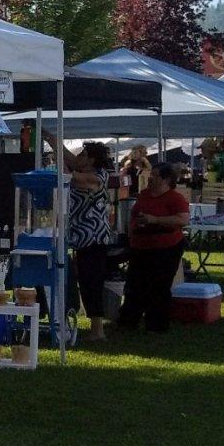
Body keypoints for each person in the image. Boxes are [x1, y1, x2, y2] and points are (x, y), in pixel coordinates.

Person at [118, 161, 192, 333]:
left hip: (166, 247)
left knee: (158, 286)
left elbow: (183, 220)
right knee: (135, 285)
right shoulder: (144, 195)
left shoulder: (175, 198)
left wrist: (155, 220)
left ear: (166, 179)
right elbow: (135, 214)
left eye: (155, 175)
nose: (150, 178)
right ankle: (128, 321)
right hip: (141, 245)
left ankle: (156, 324)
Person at [65, 142, 116, 341]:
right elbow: (68, 159)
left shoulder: (97, 177)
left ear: (91, 160)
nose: (79, 156)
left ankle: (98, 330)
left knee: (92, 283)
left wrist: (59, 161)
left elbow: (71, 175)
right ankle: (96, 329)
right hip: (83, 239)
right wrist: (49, 137)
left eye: (83, 154)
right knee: (86, 283)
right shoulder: (84, 169)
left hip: (94, 238)